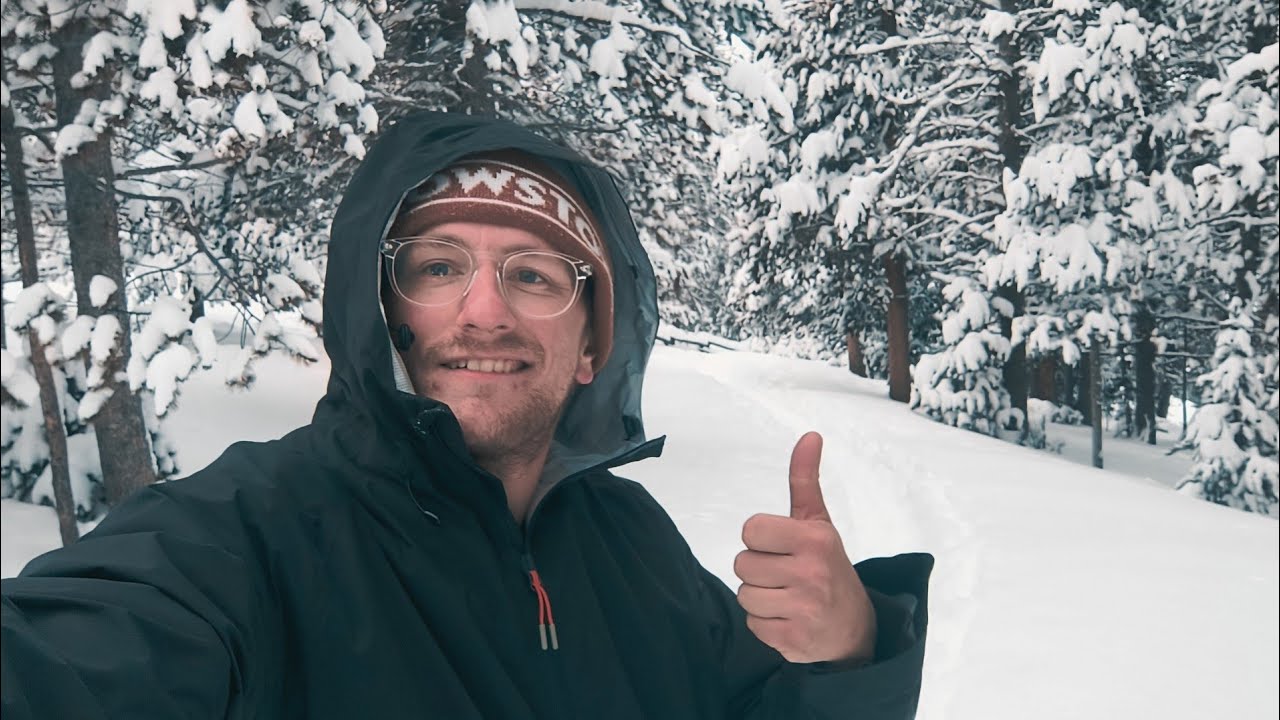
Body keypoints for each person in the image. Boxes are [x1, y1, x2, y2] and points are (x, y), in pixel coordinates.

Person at [1, 112, 933, 719]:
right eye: (438, 266)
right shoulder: (249, 535)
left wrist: (848, 655)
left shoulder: (632, 544)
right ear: (387, 310)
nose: (483, 311)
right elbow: (80, 657)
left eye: (533, 276)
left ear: (593, 348)